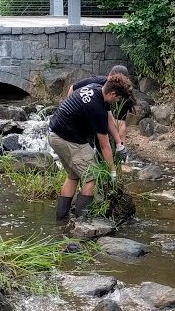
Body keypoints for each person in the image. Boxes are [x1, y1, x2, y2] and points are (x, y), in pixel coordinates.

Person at [49, 74, 135, 221]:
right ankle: (83, 222)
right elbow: (104, 145)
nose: (117, 102)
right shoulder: (96, 108)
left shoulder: (98, 87)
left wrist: (119, 143)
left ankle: (61, 220)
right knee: (92, 176)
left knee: (73, 175)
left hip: (54, 134)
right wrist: (112, 173)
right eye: (118, 99)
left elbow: (109, 119)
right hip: (68, 139)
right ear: (113, 94)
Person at [69, 65, 133, 153]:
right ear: (109, 77)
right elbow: (73, 88)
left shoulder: (124, 95)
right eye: (112, 79)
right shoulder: (97, 82)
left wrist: (121, 146)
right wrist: (70, 107)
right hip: (86, 113)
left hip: (104, 118)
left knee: (105, 141)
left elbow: (120, 124)